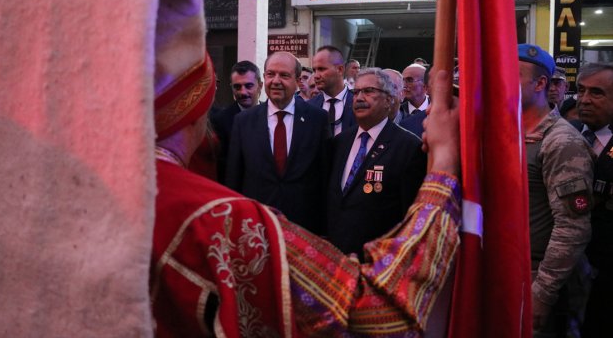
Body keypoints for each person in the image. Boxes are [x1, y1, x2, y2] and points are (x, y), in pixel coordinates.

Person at [153, 42, 462, 337]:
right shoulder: (231, 219)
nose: (360, 98)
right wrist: (445, 161)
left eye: (284, 74)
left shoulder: (320, 124)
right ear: (197, 114)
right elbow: (375, 313)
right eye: (358, 92)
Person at [517, 44, 593, 337]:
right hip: (507, 269)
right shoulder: (508, 132)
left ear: (540, 84)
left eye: (515, 75)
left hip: (536, 275)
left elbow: (572, 227)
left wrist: (543, 293)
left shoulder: (560, 141)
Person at [225, 51, 331, 233]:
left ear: (298, 81)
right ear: (263, 78)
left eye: (284, 75)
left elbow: (325, 175)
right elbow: (234, 177)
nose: (276, 81)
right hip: (256, 225)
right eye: (270, 74)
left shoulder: (317, 119)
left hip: (304, 226)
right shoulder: (244, 121)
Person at [326, 67, 426, 257]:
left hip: (379, 261)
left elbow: (410, 217)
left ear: (389, 100)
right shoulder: (339, 143)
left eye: (369, 91)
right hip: (337, 258)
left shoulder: (408, 147)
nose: (360, 98)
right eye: (356, 92)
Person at [574, 63, 613, 338]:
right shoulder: (569, 133)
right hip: (571, 264)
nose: (585, 99)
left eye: (596, 92)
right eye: (581, 90)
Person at [210, 60, 262, 182]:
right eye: (237, 87)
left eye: (248, 86)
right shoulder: (220, 120)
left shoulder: (273, 116)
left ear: (260, 85)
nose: (243, 92)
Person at [310, 45, 357, 135]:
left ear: (340, 69)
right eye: (314, 70)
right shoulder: (309, 106)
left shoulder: (358, 104)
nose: (316, 75)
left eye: (321, 69)